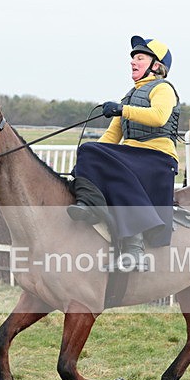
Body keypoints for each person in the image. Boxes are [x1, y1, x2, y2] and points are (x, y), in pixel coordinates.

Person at [67, 35, 181, 272]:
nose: (133, 62)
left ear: (156, 65)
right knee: (89, 150)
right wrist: (84, 166)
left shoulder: (163, 89)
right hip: (131, 156)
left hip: (157, 158)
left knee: (103, 159)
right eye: (132, 58)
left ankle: (135, 248)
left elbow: (159, 116)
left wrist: (122, 109)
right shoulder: (129, 96)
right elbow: (110, 137)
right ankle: (90, 204)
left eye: (140, 57)